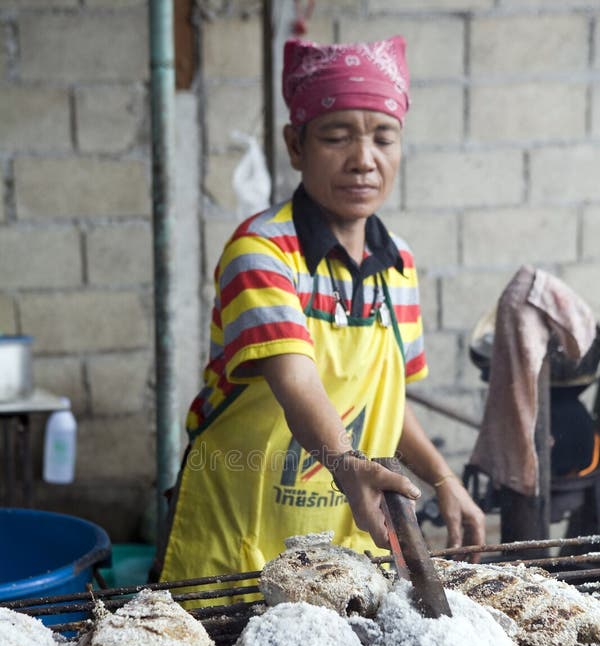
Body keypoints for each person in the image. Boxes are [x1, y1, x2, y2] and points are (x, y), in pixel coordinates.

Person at [157, 35, 485, 598]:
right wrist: (349, 464)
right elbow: (296, 382)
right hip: (237, 537)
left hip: (343, 542)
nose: (364, 159)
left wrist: (443, 478)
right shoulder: (261, 251)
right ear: (295, 145)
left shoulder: (398, 264)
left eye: (384, 137)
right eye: (337, 137)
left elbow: (387, 401)